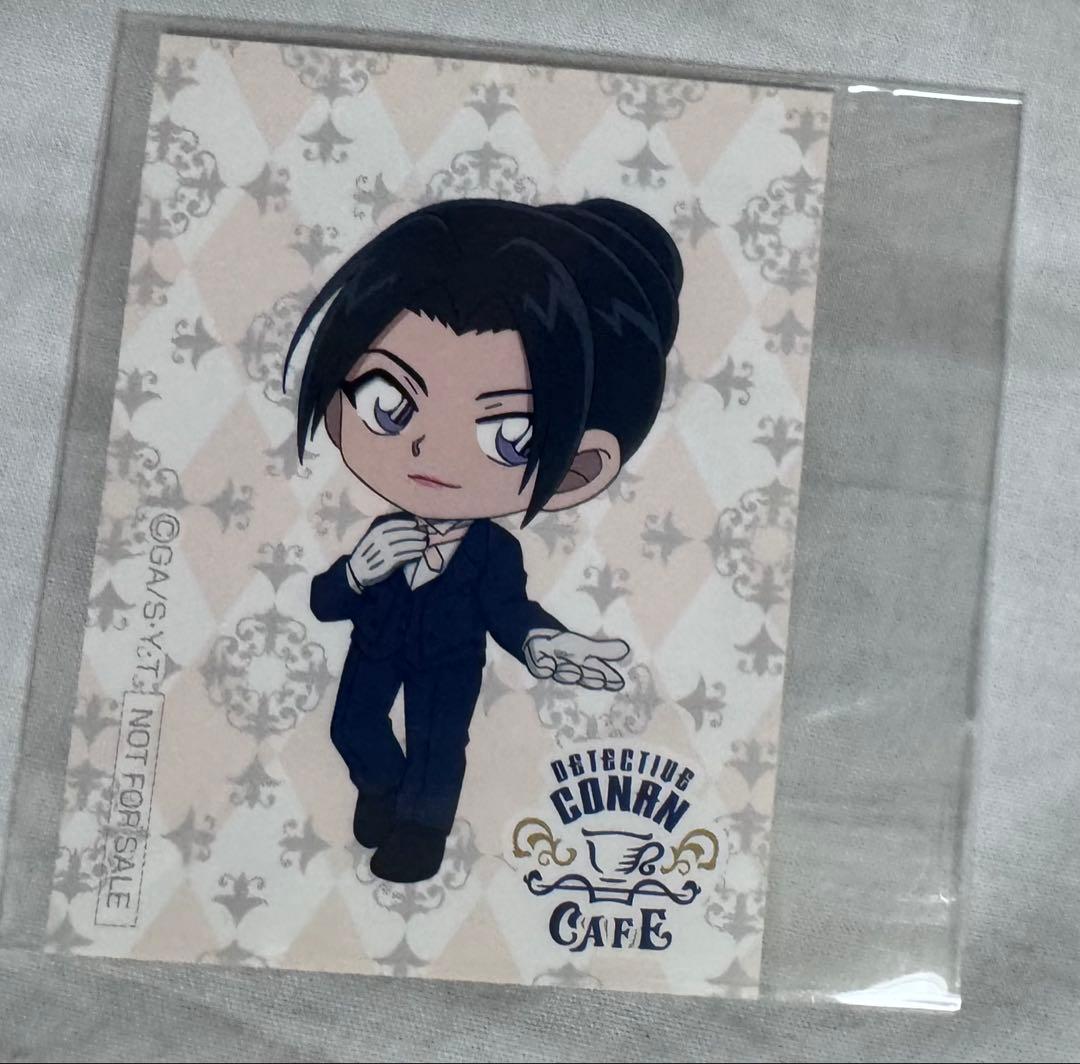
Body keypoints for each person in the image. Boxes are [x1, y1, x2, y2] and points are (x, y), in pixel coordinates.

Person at [285, 197, 683, 883]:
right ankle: (381, 788)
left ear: (577, 469)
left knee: (437, 746)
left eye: (507, 435)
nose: (429, 450)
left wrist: (542, 642)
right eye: (387, 403)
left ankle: (420, 832)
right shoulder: (384, 534)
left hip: (449, 665)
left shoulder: (492, 552)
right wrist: (354, 573)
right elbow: (325, 603)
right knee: (351, 727)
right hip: (374, 650)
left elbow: (509, 610)